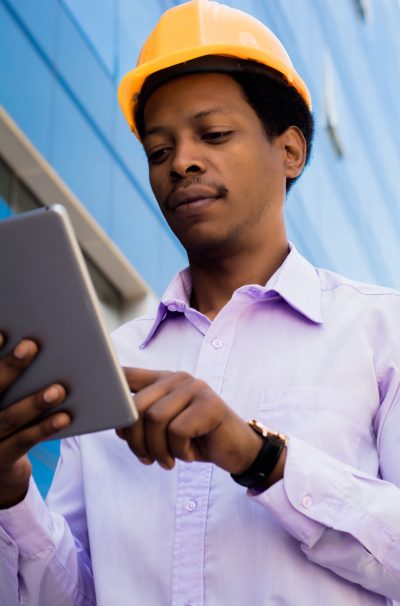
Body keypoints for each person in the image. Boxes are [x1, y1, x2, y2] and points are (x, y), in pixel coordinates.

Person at [1, 1, 400, 604]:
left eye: (212, 135)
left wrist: (259, 456)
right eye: (159, 152)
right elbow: (76, 594)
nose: (180, 163)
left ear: (290, 151)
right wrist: (9, 490)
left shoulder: (380, 331)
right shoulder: (110, 358)